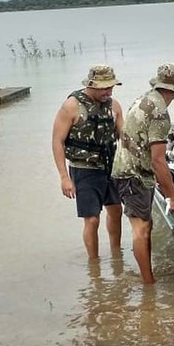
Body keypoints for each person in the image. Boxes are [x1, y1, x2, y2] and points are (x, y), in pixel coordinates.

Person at [111, 63, 174, 284]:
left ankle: (144, 277)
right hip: (133, 174)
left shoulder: (143, 99)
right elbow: (158, 159)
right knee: (142, 229)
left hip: (125, 169)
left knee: (145, 225)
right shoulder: (160, 114)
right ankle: (148, 284)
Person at [51, 64, 124, 259]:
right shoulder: (72, 106)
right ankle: (94, 263)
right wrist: (64, 177)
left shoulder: (114, 106)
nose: (108, 92)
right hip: (84, 169)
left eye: (111, 87)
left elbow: (124, 139)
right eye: (104, 88)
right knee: (92, 220)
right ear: (92, 85)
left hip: (110, 166)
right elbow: (57, 141)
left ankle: (117, 255)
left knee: (116, 211)